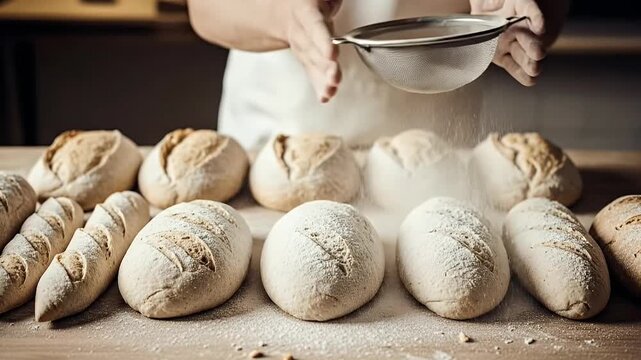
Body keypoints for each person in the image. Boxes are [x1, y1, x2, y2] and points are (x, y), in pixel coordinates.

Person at [187, 0, 570, 150]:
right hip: (275, 147)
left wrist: (532, 11)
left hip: (438, 153)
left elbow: (550, 7)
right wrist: (283, 18)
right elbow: (203, 8)